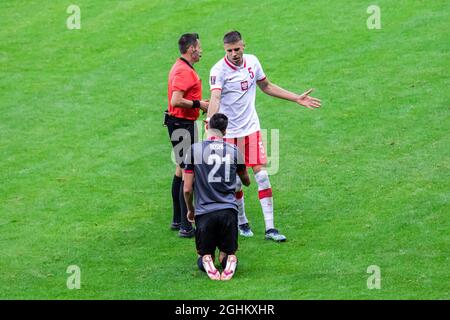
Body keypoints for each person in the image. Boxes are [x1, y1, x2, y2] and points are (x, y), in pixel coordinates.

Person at [207, 31, 321, 241]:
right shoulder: (218, 70)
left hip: (251, 130)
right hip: (229, 134)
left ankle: (270, 229)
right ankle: (242, 222)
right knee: (237, 183)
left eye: (237, 49)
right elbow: (214, 97)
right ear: (225, 50)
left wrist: (296, 98)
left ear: (243, 46)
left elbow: (266, 86)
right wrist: (211, 129)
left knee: (262, 176)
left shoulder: (252, 62)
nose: (234, 54)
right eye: (229, 50)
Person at [183, 113, 251, 280]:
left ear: (207, 127)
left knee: (203, 255)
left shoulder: (194, 150)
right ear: (225, 131)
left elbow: (187, 189)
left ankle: (206, 259)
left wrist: (190, 210)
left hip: (204, 213)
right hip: (228, 211)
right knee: (226, 254)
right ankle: (230, 258)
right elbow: (247, 182)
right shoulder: (235, 151)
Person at [165, 33, 209, 238]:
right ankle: (185, 225)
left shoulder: (180, 66)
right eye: (198, 47)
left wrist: (198, 103)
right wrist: (199, 104)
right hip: (182, 125)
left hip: (178, 123)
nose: (200, 50)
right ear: (191, 49)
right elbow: (176, 100)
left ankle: (177, 220)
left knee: (180, 169)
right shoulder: (184, 71)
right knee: (187, 171)